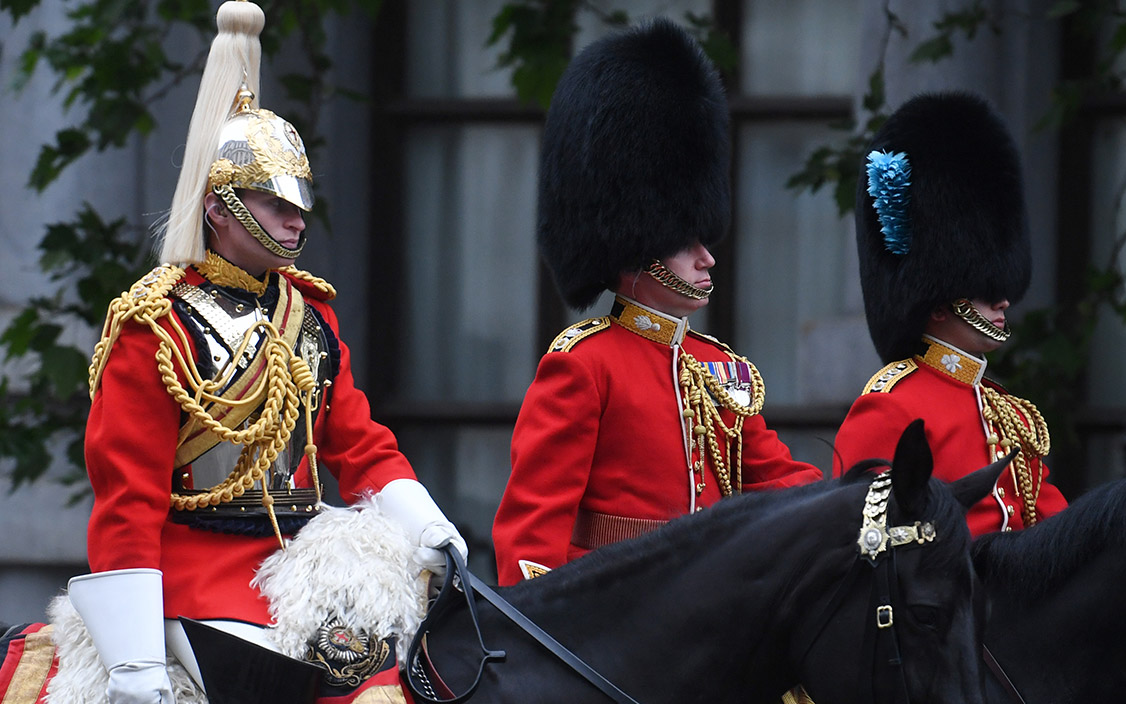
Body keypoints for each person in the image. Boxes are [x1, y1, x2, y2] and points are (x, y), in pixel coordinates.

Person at [68, 2, 465, 701]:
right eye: (273, 200)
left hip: (309, 564)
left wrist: (429, 525)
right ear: (218, 209)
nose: (295, 217)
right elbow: (127, 501)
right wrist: (133, 659)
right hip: (199, 572)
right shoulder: (155, 326)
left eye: (299, 199)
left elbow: (360, 445)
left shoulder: (309, 314)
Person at [491, 18, 822, 587]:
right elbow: (531, 541)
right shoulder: (585, 365)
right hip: (614, 614)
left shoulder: (719, 369)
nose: (707, 257)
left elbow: (784, 482)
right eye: (684, 241)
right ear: (638, 247)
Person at [832, 92, 1068, 535]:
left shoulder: (1009, 414)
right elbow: (868, 542)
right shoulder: (891, 408)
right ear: (938, 304)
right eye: (984, 289)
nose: (1003, 300)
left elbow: (1057, 531)